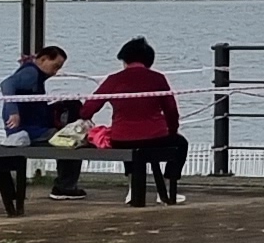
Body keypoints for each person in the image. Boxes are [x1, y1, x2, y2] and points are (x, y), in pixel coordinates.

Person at [67, 36, 189, 204]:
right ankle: (167, 188)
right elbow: (171, 111)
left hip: (121, 139)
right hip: (156, 138)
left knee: (128, 141)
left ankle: (132, 189)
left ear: (124, 60)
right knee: (181, 144)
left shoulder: (113, 79)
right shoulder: (158, 78)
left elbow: (87, 110)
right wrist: (172, 130)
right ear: (149, 61)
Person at [1, 42, 79, 195]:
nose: (55, 72)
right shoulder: (31, 73)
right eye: (55, 66)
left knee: (71, 105)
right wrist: (13, 111)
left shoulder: (33, 74)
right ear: (43, 59)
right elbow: (7, 84)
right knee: (72, 142)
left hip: (34, 126)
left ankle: (65, 185)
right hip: (30, 131)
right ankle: (65, 187)